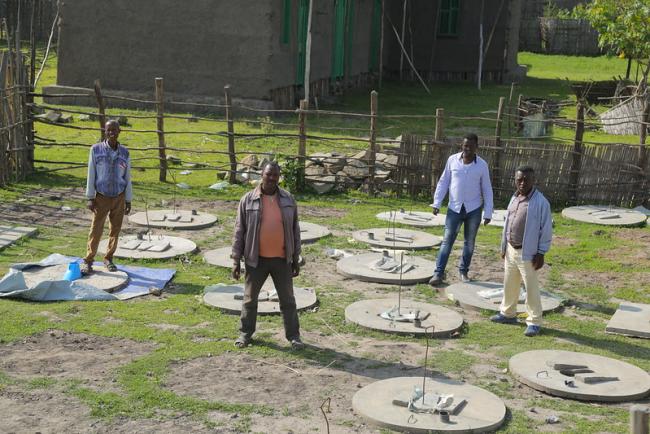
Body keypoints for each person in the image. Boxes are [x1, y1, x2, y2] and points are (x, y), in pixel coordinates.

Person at [231, 161, 304, 350]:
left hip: (282, 260)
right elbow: (239, 231)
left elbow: (295, 230)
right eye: (268, 174)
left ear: (279, 177)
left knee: (288, 300)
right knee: (249, 298)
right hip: (256, 259)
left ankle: (294, 337)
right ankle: (245, 334)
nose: (271, 178)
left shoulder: (288, 199)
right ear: (261, 175)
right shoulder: (247, 200)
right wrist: (235, 260)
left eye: (275, 175)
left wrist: (295, 258)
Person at [490, 166, 552, 337]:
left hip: (529, 252)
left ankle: (534, 321)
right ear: (515, 180)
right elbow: (507, 223)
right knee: (509, 283)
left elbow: (546, 229)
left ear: (533, 181)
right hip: (511, 248)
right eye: (519, 180)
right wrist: (504, 246)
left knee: (531, 288)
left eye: (526, 179)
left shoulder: (541, 202)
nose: (523, 183)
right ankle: (508, 313)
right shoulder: (514, 197)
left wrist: (541, 252)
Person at [429, 133, 493, 285]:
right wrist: (437, 202)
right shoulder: (452, 160)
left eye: (471, 146)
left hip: (474, 209)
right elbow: (444, 182)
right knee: (447, 241)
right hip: (454, 208)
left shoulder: (482, 165)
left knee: (469, 242)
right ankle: (438, 273)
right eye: (465, 146)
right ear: (461, 146)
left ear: (476, 147)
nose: (467, 149)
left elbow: (487, 189)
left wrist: (488, 212)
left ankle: (463, 271)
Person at [82, 120, 132, 275]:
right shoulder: (96, 150)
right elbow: (91, 173)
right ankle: (88, 260)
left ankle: (108, 258)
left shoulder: (125, 153)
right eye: (109, 130)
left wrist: (128, 199)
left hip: (119, 196)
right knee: (96, 229)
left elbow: (128, 177)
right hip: (101, 196)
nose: (112, 133)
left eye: (114, 130)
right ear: (105, 131)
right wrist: (90, 197)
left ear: (119, 131)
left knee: (115, 230)